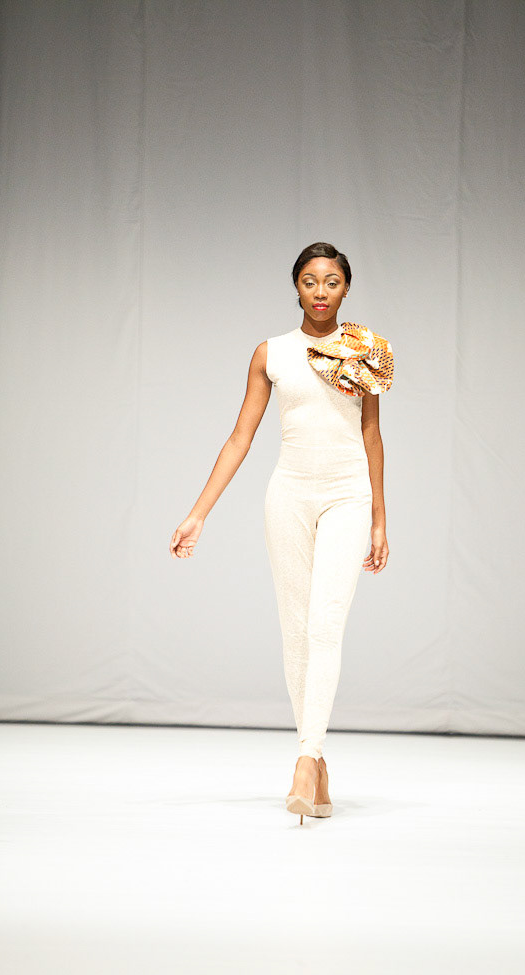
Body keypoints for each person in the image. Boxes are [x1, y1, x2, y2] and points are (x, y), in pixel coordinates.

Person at [169, 241, 393, 824]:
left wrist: (379, 518)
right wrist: (198, 513)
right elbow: (240, 437)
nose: (321, 292)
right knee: (296, 632)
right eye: (311, 281)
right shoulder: (271, 353)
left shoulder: (365, 349)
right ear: (296, 286)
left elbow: (371, 434)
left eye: (332, 282)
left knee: (325, 624)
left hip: (347, 496)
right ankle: (316, 763)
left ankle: (305, 760)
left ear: (346, 289)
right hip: (288, 496)